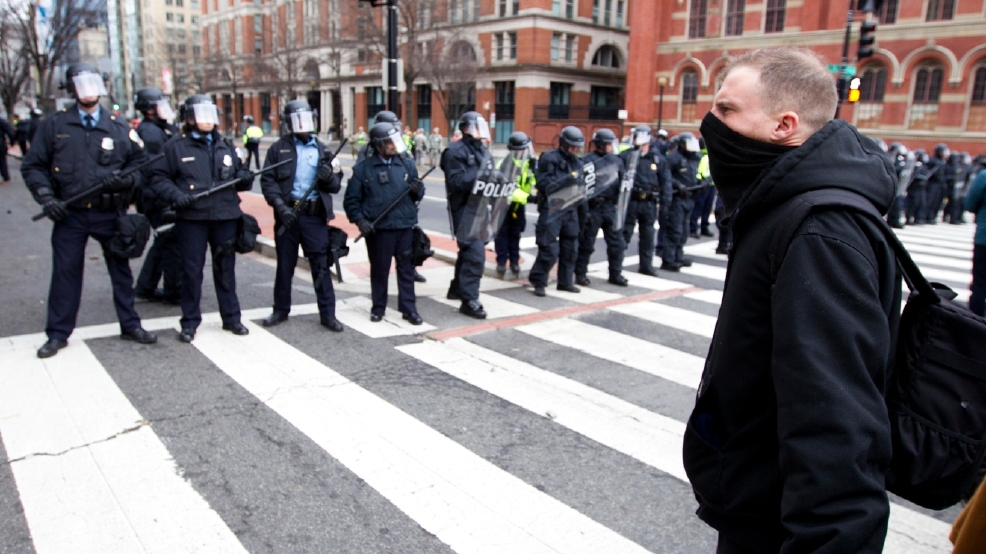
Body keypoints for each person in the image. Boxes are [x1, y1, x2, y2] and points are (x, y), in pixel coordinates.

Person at [682, 47, 903, 554]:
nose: (710, 123)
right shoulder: (784, 204)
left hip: (779, 524)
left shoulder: (819, 230)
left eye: (726, 109)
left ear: (784, 125)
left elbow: (836, 420)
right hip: (759, 498)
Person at [21, 62, 157, 358]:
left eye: (92, 85)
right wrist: (46, 197)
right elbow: (33, 166)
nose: (87, 92)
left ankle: (130, 325)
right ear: (72, 89)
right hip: (70, 213)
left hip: (110, 212)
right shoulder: (55, 125)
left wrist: (125, 180)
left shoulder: (118, 125)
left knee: (121, 272)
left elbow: (140, 163)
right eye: (80, 86)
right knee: (65, 274)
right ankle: (58, 333)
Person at [149, 94, 254, 343]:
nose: (208, 120)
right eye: (201, 115)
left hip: (225, 215)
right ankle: (189, 322)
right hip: (193, 218)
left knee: (225, 269)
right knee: (192, 271)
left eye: (211, 115)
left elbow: (238, 173)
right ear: (189, 118)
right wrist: (176, 196)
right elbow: (157, 178)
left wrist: (244, 177)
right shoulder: (176, 146)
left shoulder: (225, 145)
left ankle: (231, 318)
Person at [259, 100, 344, 332]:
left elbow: (336, 185)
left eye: (305, 119)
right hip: (287, 214)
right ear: (288, 123)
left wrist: (328, 177)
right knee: (285, 265)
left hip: (314, 217)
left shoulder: (324, 150)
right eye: (296, 120)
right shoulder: (278, 149)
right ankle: (280, 310)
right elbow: (268, 181)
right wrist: (280, 207)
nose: (302, 125)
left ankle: (328, 314)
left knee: (320, 265)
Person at [344, 123, 424, 324]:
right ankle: (378, 307)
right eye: (389, 142)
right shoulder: (363, 169)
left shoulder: (406, 164)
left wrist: (417, 189)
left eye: (395, 141)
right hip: (380, 229)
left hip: (404, 226)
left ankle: (409, 309)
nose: (393, 145)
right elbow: (351, 201)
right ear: (378, 145)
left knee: (406, 270)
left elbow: (418, 194)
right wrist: (361, 221)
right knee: (380, 270)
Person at [442, 111, 496, 318]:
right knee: (475, 255)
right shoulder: (454, 151)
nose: (480, 131)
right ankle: (469, 300)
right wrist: (481, 173)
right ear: (465, 128)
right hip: (464, 209)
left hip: (481, 208)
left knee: (468, 252)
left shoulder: (482, 149)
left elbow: (491, 175)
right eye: (476, 127)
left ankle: (457, 288)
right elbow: (456, 182)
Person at [132, 87, 182, 304]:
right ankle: (173, 290)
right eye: (157, 105)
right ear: (148, 109)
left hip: (155, 194)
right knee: (171, 241)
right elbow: (156, 168)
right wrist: (165, 199)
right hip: (158, 196)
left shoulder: (159, 128)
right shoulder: (151, 133)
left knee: (164, 240)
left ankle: (145, 287)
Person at [528, 126, 586, 297]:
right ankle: (539, 281)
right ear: (564, 144)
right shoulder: (549, 158)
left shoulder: (578, 162)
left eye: (577, 147)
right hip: (552, 208)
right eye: (572, 146)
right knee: (549, 249)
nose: (575, 150)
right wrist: (567, 181)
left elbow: (582, 186)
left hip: (571, 208)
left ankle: (565, 282)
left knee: (570, 248)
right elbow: (543, 184)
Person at [574, 128, 628, 286]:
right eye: (609, 144)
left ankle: (615, 274)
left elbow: (623, 182)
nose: (612, 147)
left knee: (617, 243)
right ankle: (580, 273)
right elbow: (581, 186)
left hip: (611, 206)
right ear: (601, 145)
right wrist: (584, 210)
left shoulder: (616, 161)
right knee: (587, 243)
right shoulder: (587, 161)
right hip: (594, 207)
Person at [621, 124, 671, 277]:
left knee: (648, 236)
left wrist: (665, 203)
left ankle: (646, 265)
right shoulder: (626, 156)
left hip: (649, 202)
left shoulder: (657, 158)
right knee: (624, 234)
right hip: (631, 201)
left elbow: (665, 181)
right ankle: (616, 265)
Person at [493, 132, 537, 276]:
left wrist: (537, 174)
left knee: (515, 234)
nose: (526, 151)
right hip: (503, 206)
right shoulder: (504, 164)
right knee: (502, 234)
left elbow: (534, 181)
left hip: (519, 206)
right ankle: (501, 262)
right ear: (514, 150)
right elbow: (508, 189)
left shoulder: (528, 164)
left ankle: (514, 261)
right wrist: (530, 198)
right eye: (523, 149)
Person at [662, 132, 702, 271]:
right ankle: (668, 260)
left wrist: (701, 182)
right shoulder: (673, 158)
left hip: (689, 198)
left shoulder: (695, 158)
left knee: (684, 230)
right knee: (674, 230)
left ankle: (678, 256)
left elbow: (697, 174)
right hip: (677, 199)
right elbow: (665, 176)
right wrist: (677, 184)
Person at [964, 155, 986, 317]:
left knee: (980, 282)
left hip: (984, 238)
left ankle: (975, 320)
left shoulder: (984, 176)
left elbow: (970, 204)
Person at [688, 137, 715, 238]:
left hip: (711, 185)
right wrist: (701, 180)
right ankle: (693, 228)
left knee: (707, 207)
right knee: (699, 207)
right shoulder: (698, 156)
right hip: (702, 185)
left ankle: (704, 227)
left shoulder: (711, 155)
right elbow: (696, 171)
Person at [0, 115, 15, 183]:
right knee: (2, 161)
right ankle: (5, 177)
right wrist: (12, 142)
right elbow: (10, 132)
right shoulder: (2, 121)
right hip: (1, 144)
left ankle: (5, 177)